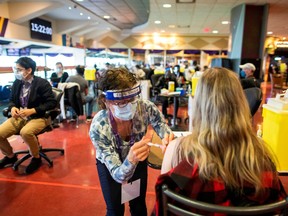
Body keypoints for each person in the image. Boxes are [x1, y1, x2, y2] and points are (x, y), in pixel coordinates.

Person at [154, 67, 287, 215]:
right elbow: (278, 207)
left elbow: (162, 208)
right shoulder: (263, 156)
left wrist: (169, 155)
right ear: (241, 104)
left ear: (199, 107)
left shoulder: (178, 154)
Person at [89, 67, 174, 216]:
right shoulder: (99, 127)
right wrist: (130, 160)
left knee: (138, 205)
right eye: (121, 102)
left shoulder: (144, 108)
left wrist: (167, 138)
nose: (129, 106)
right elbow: (118, 175)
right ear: (106, 101)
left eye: (132, 99)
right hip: (111, 167)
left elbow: (160, 124)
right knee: (115, 209)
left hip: (138, 158)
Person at [0, 57, 57, 174]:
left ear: (29, 70)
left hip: (39, 117)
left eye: (19, 69)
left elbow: (51, 103)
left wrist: (33, 110)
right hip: (20, 116)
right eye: (15, 69)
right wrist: (13, 107)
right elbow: (11, 100)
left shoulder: (42, 83)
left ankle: (36, 158)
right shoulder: (17, 83)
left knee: (25, 132)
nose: (16, 72)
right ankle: (10, 156)